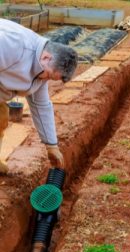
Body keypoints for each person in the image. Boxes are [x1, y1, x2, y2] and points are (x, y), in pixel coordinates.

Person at [0, 18, 78, 174]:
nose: (46, 81)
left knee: (1, 117)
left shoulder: (42, 70)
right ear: (46, 58)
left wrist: (51, 145)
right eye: (49, 75)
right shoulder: (11, 44)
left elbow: (41, 105)